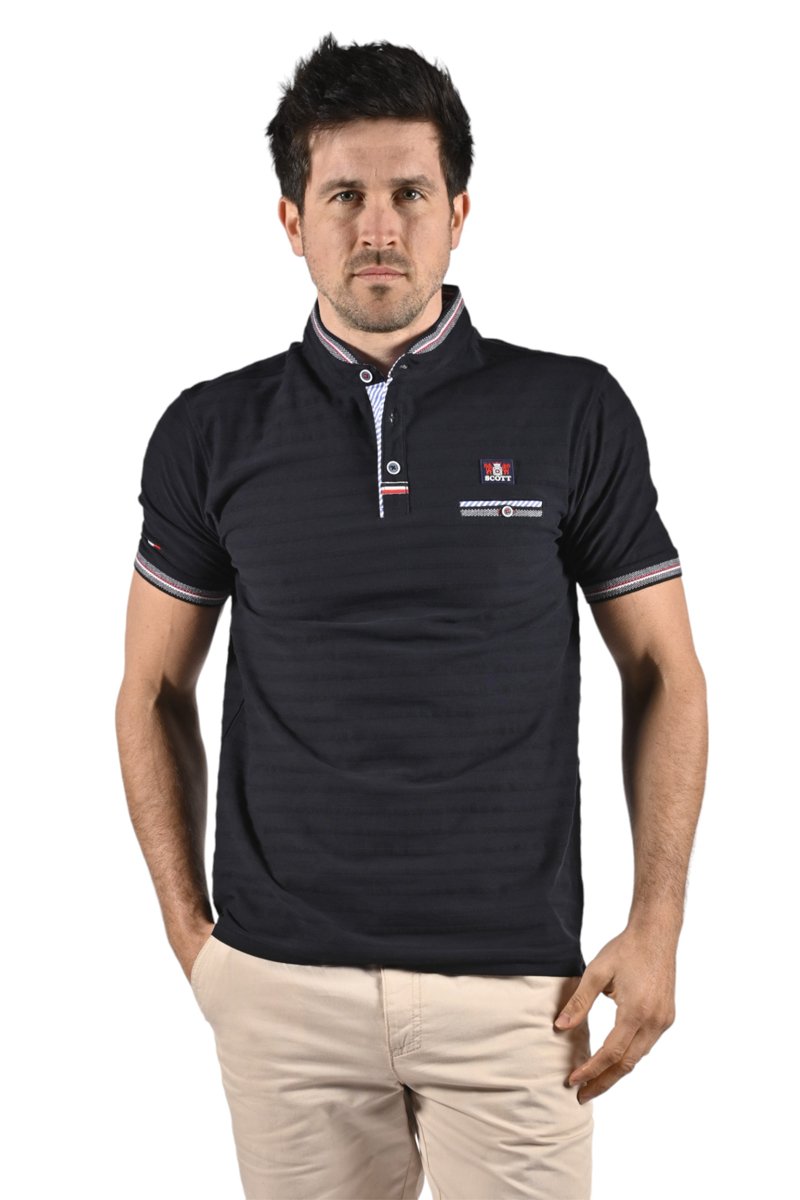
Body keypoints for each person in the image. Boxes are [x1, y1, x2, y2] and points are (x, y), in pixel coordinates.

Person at [115, 33, 708, 1200]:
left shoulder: (569, 409)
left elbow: (665, 672)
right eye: (344, 195)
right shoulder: (210, 431)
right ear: (292, 220)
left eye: (408, 193)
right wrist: (196, 941)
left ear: (457, 212)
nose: (377, 226)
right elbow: (149, 689)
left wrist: (656, 927)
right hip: (281, 991)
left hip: (516, 994)